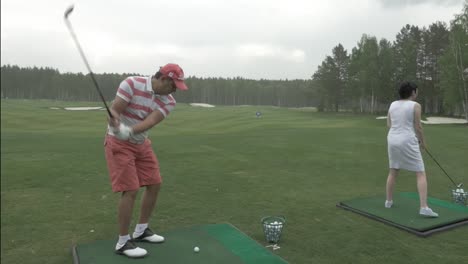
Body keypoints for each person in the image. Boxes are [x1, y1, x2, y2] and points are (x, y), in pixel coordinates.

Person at [104, 63, 188, 258]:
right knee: (131, 189)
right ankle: (123, 242)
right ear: (164, 79)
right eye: (173, 85)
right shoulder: (132, 84)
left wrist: (130, 131)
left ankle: (141, 230)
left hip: (141, 142)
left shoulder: (169, 101)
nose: (175, 90)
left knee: (155, 183)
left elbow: (150, 121)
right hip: (118, 143)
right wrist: (116, 124)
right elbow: (115, 110)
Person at [385, 81, 438, 217]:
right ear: (413, 92)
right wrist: (423, 142)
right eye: (416, 91)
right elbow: (418, 127)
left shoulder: (393, 104)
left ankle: (388, 201)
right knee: (420, 172)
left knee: (393, 171)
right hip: (407, 140)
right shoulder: (415, 105)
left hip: (392, 139)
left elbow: (389, 123)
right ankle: (424, 207)